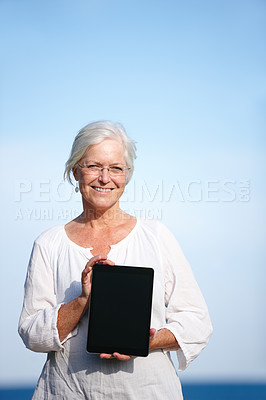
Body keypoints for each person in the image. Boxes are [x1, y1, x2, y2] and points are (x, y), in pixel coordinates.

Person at [18, 120, 213, 399]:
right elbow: (31, 334)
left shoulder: (156, 236)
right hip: (67, 391)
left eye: (115, 168)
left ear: (127, 175)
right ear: (76, 171)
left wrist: (146, 341)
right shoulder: (49, 243)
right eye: (94, 166)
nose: (104, 177)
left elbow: (197, 322)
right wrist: (83, 300)